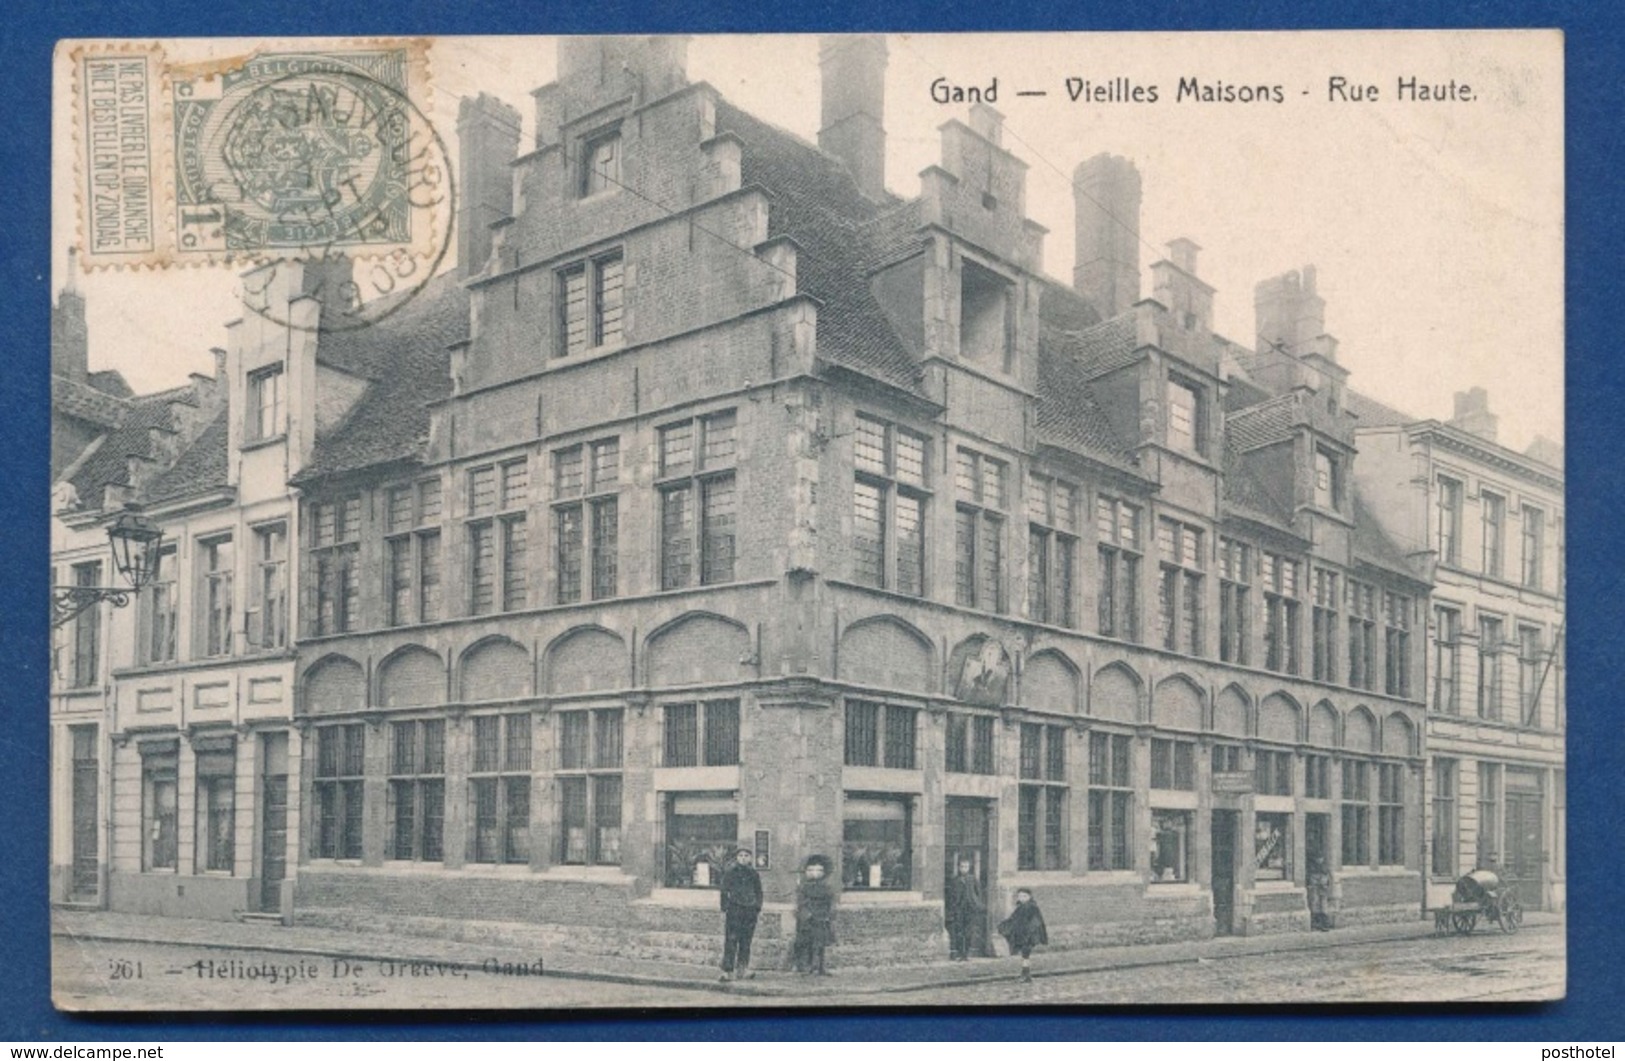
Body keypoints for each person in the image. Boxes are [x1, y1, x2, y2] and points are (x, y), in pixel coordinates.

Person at [718, 847, 763, 982]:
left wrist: (757, 907)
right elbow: (724, 891)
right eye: (741, 856)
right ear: (737, 858)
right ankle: (727, 971)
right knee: (731, 940)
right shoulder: (730, 873)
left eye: (746, 855)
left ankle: (743, 969)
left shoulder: (753, 874)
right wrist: (725, 908)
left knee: (746, 942)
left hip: (749, 911)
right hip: (734, 911)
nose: (743, 858)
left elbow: (759, 892)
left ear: (750, 858)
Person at [793, 856, 836, 976]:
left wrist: (830, 915)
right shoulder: (803, 887)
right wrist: (807, 915)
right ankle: (809, 967)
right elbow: (801, 902)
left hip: (822, 917)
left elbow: (831, 901)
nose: (815, 873)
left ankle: (821, 967)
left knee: (821, 943)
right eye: (811, 870)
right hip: (809, 919)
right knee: (808, 942)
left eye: (819, 871)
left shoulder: (827, 887)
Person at [997, 887, 1048, 983]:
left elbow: (1035, 922)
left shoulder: (1033, 907)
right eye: (1020, 896)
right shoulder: (1020, 907)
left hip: (1030, 935)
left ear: (1029, 897)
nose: (1022, 898)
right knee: (1025, 955)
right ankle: (1026, 974)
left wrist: (1028, 933)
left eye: (1025, 896)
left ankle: (1026, 974)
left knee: (1026, 954)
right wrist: (1004, 925)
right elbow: (1013, 919)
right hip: (1022, 934)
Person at [944, 858, 986, 961]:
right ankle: (960, 953)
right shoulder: (955, 880)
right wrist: (953, 908)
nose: (964, 869)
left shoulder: (972, 879)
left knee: (969, 932)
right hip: (959, 910)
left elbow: (978, 893)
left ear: (969, 867)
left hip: (970, 910)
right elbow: (951, 896)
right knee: (959, 932)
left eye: (966, 867)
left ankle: (966, 954)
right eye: (962, 867)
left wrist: (977, 904)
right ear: (958, 868)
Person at [1306, 856, 1333, 931]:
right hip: (1318, 885)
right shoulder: (1318, 868)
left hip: (1319, 885)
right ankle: (1319, 922)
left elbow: (1326, 879)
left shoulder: (1321, 869)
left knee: (1320, 902)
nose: (1319, 860)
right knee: (1317, 902)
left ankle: (1322, 923)